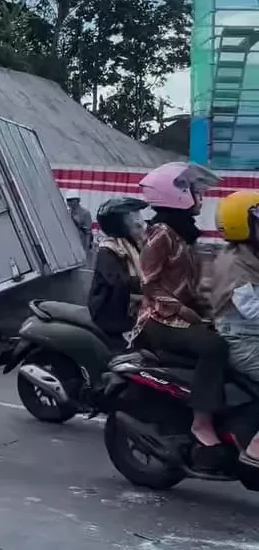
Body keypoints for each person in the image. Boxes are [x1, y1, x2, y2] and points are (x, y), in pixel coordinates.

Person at [129, 161, 229, 471]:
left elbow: (192, 288)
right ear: (175, 196)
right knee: (214, 348)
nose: (200, 197)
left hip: (181, 315)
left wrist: (214, 310)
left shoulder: (183, 234)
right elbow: (148, 283)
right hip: (157, 319)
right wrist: (182, 309)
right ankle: (201, 422)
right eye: (195, 191)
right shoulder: (161, 233)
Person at [211, 190, 259, 467]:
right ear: (244, 225)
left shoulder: (252, 256)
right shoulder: (235, 264)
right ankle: (255, 448)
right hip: (242, 341)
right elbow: (252, 310)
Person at [88, 197, 147, 345]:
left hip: (128, 309)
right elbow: (119, 281)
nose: (139, 222)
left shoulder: (132, 245)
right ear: (119, 224)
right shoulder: (108, 249)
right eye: (132, 218)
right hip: (111, 314)